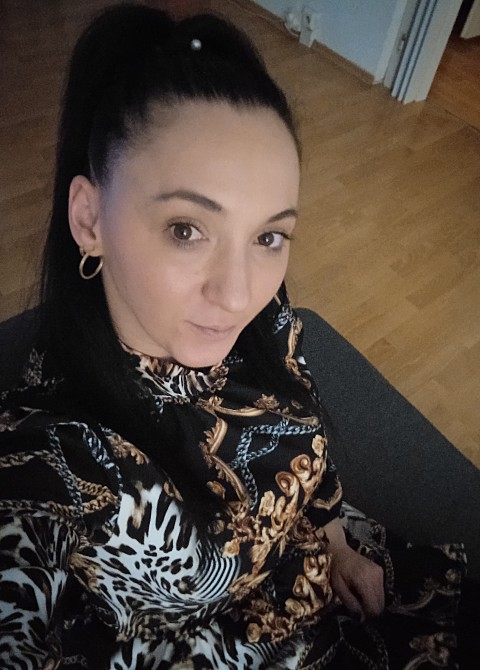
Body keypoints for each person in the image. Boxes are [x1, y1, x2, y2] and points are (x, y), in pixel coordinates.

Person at [0, 4, 476, 669]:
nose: (237, 294)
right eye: (186, 229)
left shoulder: (264, 318)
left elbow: (305, 426)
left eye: (268, 236)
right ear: (89, 219)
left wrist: (335, 541)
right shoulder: (48, 459)